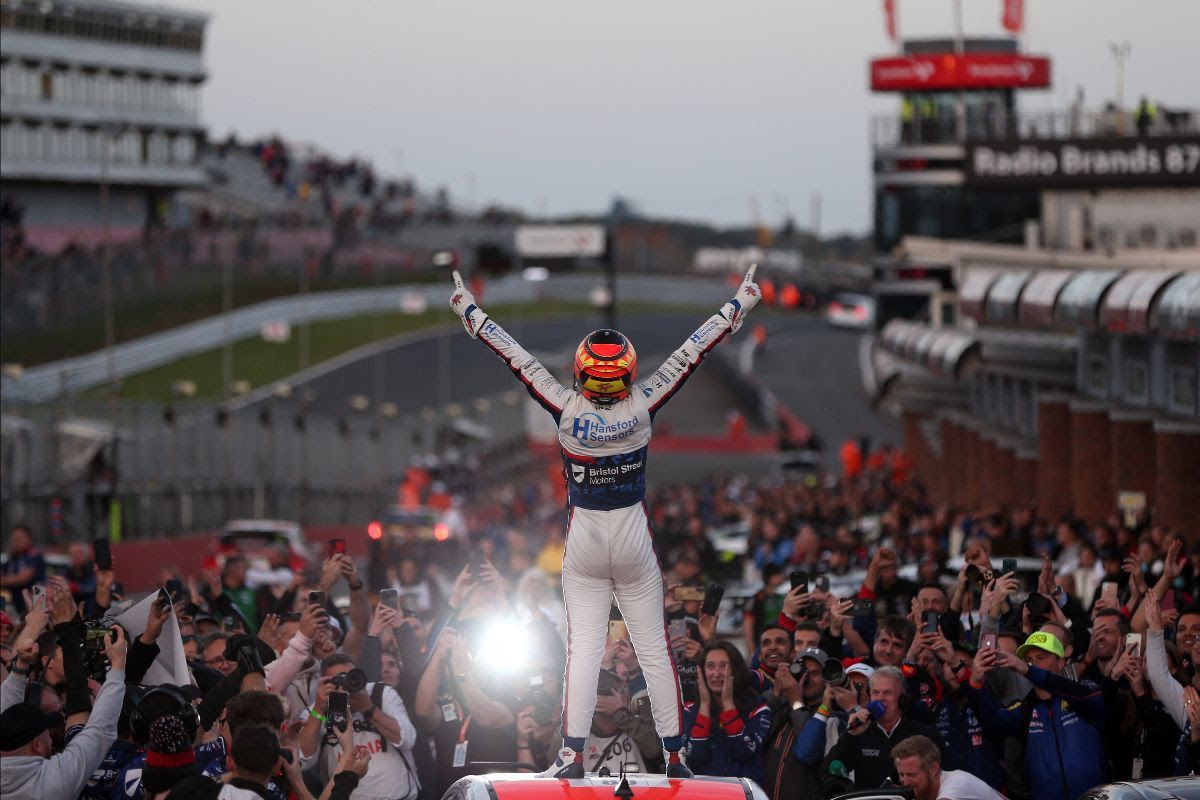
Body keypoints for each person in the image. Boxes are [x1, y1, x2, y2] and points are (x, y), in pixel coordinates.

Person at [449, 264, 762, 778]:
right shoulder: (644, 403)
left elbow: (515, 357)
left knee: (584, 652)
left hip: (587, 540)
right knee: (655, 653)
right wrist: (740, 303)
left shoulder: (565, 407)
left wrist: (470, 311)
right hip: (634, 540)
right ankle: (676, 757)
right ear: (628, 372)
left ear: (582, 371)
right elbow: (693, 351)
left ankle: (571, 756)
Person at [966, 631, 1107, 800]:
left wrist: (1028, 670)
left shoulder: (1085, 690)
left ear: (1061, 661)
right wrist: (976, 682)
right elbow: (991, 723)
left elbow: (1090, 698)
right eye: (1029, 660)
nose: (1033, 664)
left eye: (1041, 657)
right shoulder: (1025, 708)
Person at [0, 624, 128, 800]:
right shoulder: (52, 783)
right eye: (47, 735)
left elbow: (6, 715)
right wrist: (118, 663)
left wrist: (21, 665)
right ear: (37, 745)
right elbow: (99, 731)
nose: (52, 739)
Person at [821, 665, 946, 789]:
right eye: (875, 693)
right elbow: (825, 773)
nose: (880, 698)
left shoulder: (925, 734)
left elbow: (948, 777)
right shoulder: (858, 734)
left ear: (902, 698)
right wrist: (850, 735)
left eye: (888, 693)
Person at [761, 647, 843, 800]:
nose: (807, 678)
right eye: (802, 671)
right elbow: (756, 737)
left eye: (815, 673)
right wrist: (776, 692)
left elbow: (808, 751)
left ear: (827, 678)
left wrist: (796, 702)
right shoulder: (782, 709)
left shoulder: (831, 718)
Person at [684, 642, 772, 784]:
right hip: (703, 793)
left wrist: (728, 704)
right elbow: (695, 756)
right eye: (710, 666)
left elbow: (744, 752)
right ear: (701, 672)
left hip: (743, 793)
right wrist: (704, 706)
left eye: (724, 665)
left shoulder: (758, 708)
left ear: (735, 670)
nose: (717, 673)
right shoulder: (689, 710)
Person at [892, 735, 1003, 800]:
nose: (905, 782)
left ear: (933, 769)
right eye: (901, 775)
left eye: (911, 774)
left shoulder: (956, 783)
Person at [1, 524, 46, 614]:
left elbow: (23, 578)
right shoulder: (11, 558)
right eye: (14, 539)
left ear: (29, 538)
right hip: (15, 604)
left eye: (19, 539)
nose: (16, 542)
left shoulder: (35, 555)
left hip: (35, 602)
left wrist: (8, 579)